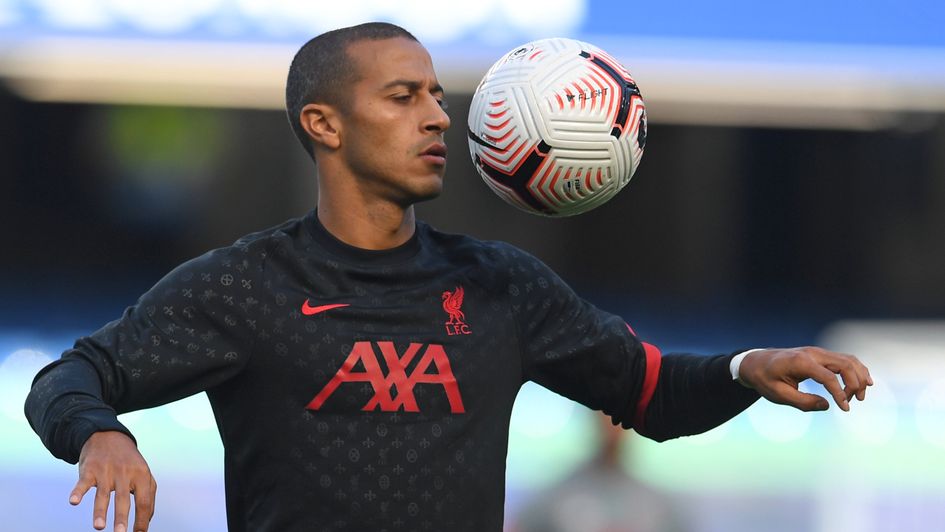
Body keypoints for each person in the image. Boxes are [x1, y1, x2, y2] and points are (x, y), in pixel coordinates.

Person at [25, 22, 872, 532]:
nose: (437, 116)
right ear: (323, 123)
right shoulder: (243, 286)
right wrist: (102, 434)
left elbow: (650, 393)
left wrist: (745, 368)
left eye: (436, 95)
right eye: (403, 97)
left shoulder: (503, 286)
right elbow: (68, 378)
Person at [513, 412, 687, 532]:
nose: (613, 423)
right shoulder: (554, 500)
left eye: (622, 414)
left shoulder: (658, 506)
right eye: (606, 412)